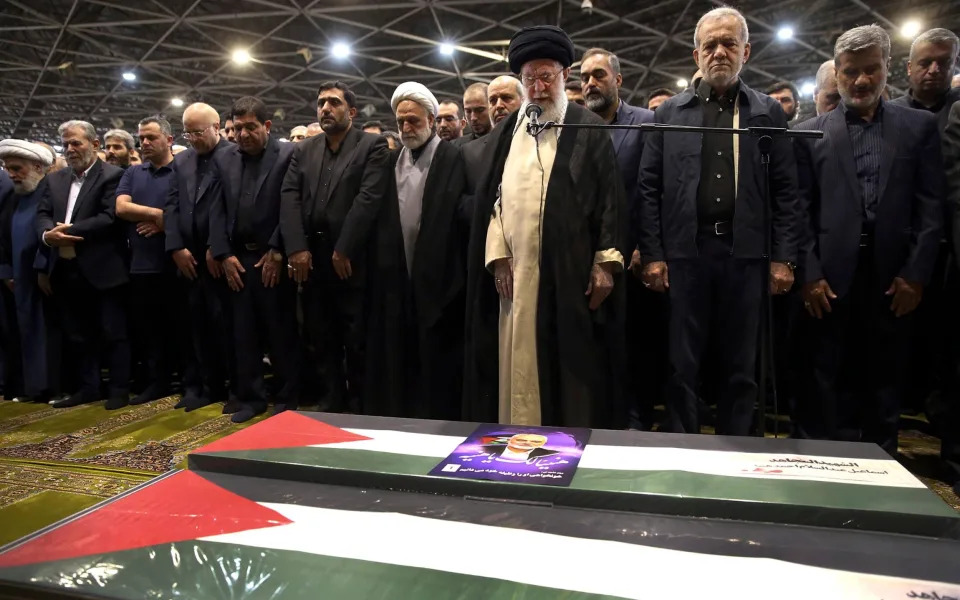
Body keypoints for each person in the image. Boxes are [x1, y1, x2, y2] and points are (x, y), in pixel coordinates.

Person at [638, 7, 799, 436]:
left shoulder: (766, 113)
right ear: (696, 55)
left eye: (729, 43)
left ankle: (739, 453)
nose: (719, 52)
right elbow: (648, 188)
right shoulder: (669, 112)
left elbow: (786, 192)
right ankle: (683, 450)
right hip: (685, 254)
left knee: (741, 365)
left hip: (746, 255)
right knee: (682, 364)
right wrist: (653, 254)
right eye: (710, 45)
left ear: (746, 50)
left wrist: (783, 258)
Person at [463, 25, 628, 428]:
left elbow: (610, 198)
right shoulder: (508, 132)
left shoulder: (588, 126)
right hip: (515, 277)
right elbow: (493, 201)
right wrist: (497, 253)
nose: (538, 88)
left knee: (570, 368)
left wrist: (606, 262)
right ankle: (518, 434)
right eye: (530, 79)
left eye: (546, 77)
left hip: (569, 276)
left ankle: (565, 445)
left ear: (564, 76)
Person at [793, 25, 944, 455]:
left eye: (871, 70)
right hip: (829, 281)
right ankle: (824, 465)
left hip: (894, 278)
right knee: (826, 377)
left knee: (886, 378)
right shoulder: (811, 133)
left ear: (887, 68)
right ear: (836, 73)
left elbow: (931, 208)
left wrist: (916, 275)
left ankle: (883, 464)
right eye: (851, 72)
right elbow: (798, 212)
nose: (861, 81)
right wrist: (809, 274)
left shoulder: (919, 128)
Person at [280, 82, 389, 413]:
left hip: (351, 260)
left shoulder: (372, 145)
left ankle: (360, 404)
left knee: (356, 339)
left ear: (351, 112)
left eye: (333, 103)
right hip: (311, 260)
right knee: (321, 336)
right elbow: (289, 196)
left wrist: (344, 248)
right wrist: (296, 248)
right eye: (321, 103)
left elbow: (368, 198)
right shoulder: (304, 150)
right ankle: (331, 401)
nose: (325, 108)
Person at [366, 82, 467, 419]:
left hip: (443, 284)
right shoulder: (393, 160)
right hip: (400, 281)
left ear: (431, 118)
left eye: (413, 120)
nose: (407, 128)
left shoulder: (454, 157)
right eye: (401, 122)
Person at [208, 96, 303, 423]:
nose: (243, 134)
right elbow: (216, 210)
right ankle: (251, 398)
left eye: (251, 127)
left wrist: (278, 249)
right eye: (237, 128)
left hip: (274, 257)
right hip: (238, 259)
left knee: (280, 330)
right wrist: (223, 254)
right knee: (242, 332)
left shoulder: (289, 155)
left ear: (266, 126)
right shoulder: (225, 159)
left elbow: (292, 206)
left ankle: (288, 395)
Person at [580, 47, 658, 428]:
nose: (590, 83)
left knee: (638, 347)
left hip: (633, 259)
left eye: (598, 75)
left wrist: (648, 245)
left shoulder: (646, 123)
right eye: (584, 77)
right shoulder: (574, 127)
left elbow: (654, 191)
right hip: (586, 260)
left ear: (618, 80)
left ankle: (637, 423)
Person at [38, 120, 131, 410]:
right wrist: (46, 235)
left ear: (94, 144)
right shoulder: (53, 180)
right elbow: (41, 213)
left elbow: (109, 217)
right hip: (65, 269)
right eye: (65, 144)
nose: (69, 149)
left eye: (75, 143)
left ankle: (118, 389)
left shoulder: (113, 176)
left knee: (113, 332)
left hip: (104, 269)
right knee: (78, 334)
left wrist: (69, 231)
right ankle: (89, 388)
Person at [165, 102, 235, 412]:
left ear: (216, 126)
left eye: (198, 131)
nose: (192, 138)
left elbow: (234, 208)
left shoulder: (234, 155)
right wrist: (176, 247)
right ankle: (205, 387)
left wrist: (218, 247)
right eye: (187, 132)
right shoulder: (181, 162)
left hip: (220, 257)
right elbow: (171, 206)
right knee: (195, 327)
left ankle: (235, 387)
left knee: (227, 328)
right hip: (188, 259)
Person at [115, 115, 179, 406]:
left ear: (169, 139)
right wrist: (158, 215)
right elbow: (121, 207)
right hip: (141, 264)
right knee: (149, 330)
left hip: (176, 262)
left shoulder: (181, 170)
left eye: (151, 137)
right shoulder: (133, 173)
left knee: (181, 327)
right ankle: (157, 382)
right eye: (141, 138)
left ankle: (190, 381)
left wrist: (167, 224)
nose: (144, 143)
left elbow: (187, 210)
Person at [0, 140, 57, 403]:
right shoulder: (12, 197)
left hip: (46, 276)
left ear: (37, 167)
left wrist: (43, 268)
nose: (11, 174)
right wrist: (7, 272)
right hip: (18, 280)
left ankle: (51, 385)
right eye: (7, 168)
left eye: (16, 168)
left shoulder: (54, 191)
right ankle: (28, 386)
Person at [890, 28, 960, 131]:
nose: (934, 70)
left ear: (955, 63)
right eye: (925, 63)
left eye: (944, 62)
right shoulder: (889, 113)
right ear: (909, 68)